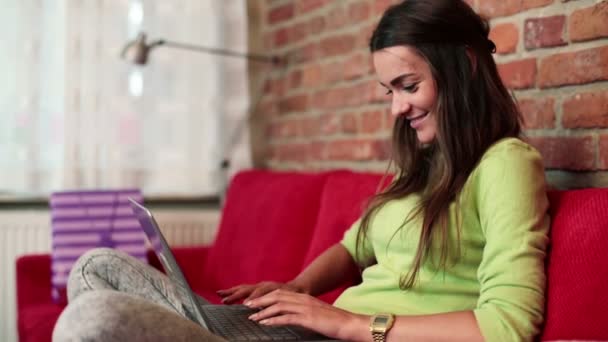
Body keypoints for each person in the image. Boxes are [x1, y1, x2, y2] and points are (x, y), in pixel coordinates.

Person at [53, 0, 550, 341]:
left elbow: (506, 326)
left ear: (462, 66)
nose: (397, 106)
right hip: (308, 332)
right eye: (389, 92)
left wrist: (350, 324)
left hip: (341, 337)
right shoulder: (424, 165)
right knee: (96, 268)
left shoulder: (504, 165)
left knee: (96, 318)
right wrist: (297, 288)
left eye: (407, 85)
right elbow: (354, 247)